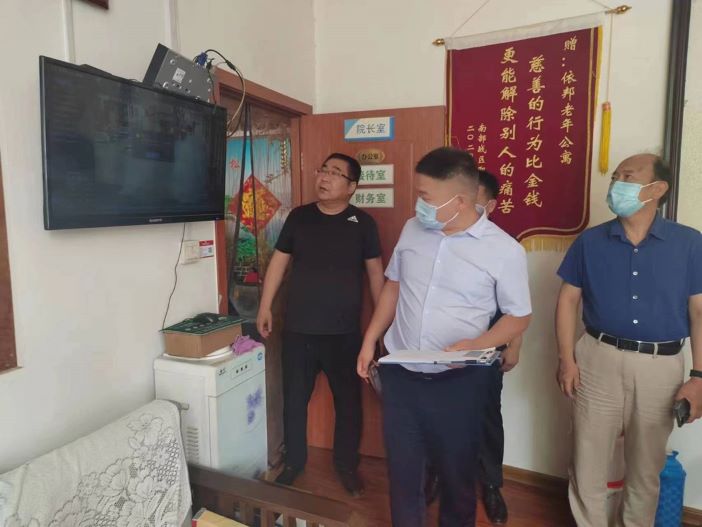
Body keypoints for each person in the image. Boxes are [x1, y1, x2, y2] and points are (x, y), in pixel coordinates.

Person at [358, 147, 532, 527]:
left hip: (460, 380)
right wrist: (371, 339)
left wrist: (478, 344)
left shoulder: (504, 251)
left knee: (457, 476)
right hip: (402, 372)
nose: (418, 204)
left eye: (426, 197)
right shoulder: (412, 229)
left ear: (460, 201)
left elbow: (519, 315)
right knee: (403, 472)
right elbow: (393, 286)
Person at [555, 154, 702, 526]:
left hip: (660, 366)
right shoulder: (591, 241)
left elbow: (699, 312)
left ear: (657, 189)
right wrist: (566, 359)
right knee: (587, 460)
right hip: (596, 358)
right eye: (615, 176)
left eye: (628, 176)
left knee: (645, 467)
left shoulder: (689, 243)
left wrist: (699, 377)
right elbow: (568, 300)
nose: (616, 184)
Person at [256, 153, 385, 496]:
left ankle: (346, 465)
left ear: (352, 187)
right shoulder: (299, 217)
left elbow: (376, 276)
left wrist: (382, 327)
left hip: (344, 333)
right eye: (323, 170)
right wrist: (265, 306)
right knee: (294, 400)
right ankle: (294, 462)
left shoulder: (363, 223)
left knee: (349, 404)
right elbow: (279, 262)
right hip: (299, 330)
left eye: (335, 173)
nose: (325, 177)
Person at [423, 170, 524, 526]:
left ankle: (491, 484)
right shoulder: (436, 240)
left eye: (470, 199)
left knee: (486, 418)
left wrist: (514, 346)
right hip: (437, 351)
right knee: (435, 416)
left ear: (490, 206)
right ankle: (435, 473)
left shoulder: (503, 247)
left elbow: (517, 308)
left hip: (484, 353)